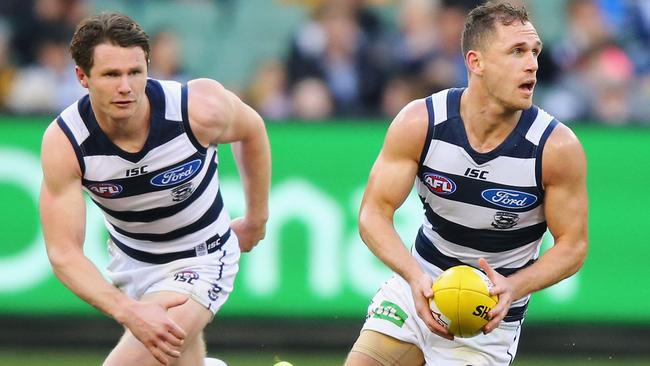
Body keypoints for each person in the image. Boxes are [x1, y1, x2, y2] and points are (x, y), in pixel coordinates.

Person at [345, 2, 588, 365]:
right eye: (517, 51)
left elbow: (573, 245)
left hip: (489, 319)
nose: (533, 64)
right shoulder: (421, 122)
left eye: (535, 52)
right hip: (419, 290)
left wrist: (514, 286)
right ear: (476, 62)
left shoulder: (556, 147)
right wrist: (413, 278)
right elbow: (373, 214)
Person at [39, 12, 270, 366]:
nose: (126, 87)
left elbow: (251, 131)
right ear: (82, 77)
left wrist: (257, 219)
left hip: (203, 256)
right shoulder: (67, 142)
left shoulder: (197, 108)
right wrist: (127, 310)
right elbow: (64, 254)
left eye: (135, 72)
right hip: (132, 263)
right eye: (111, 75)